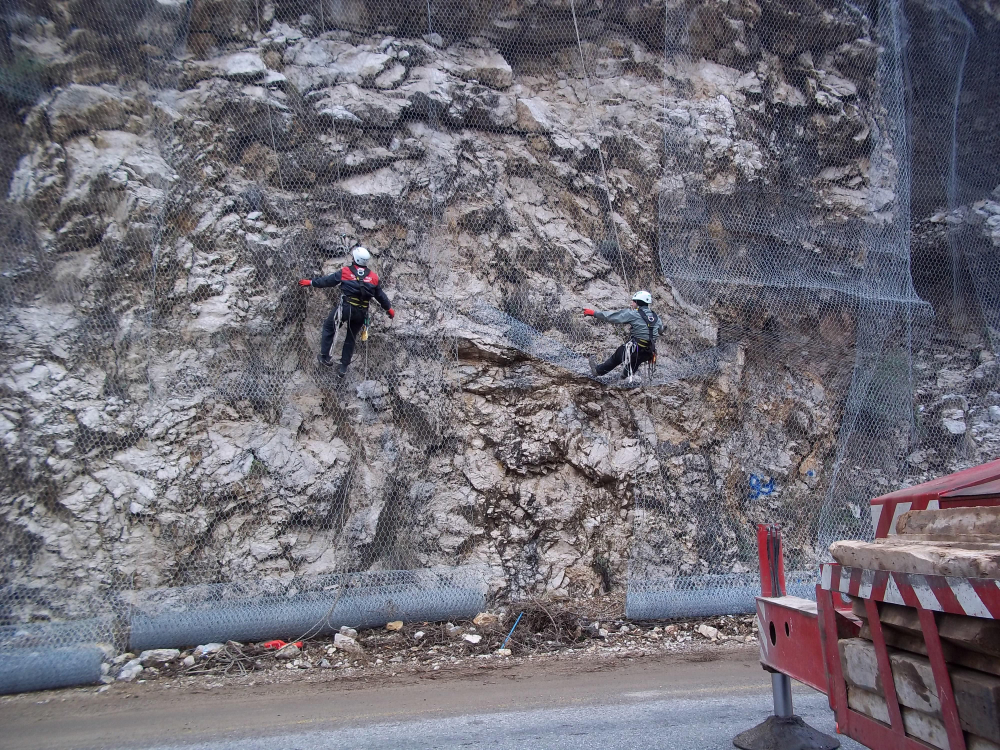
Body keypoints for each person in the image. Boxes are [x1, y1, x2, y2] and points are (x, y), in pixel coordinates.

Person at [298, 247, 394, 377]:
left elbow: (328, 281)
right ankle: (343, 367)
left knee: (329, 326)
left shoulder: (346, 272)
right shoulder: (373, 277)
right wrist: (389, 309)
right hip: (361, 312)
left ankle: (325, 356)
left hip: (346, 308)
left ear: (355, 259)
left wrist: (311, 282)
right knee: (351, 337)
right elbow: (381, 296)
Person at [584, 290, 661, 378]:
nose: (631, 303)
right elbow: (660, 330)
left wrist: (594, 313)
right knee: (637, 360)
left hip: (633, 349)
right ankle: (624, 377)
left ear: (638, 302)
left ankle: (597, 371)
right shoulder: (656, 317)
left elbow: (613, 317)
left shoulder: (634, 314)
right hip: (649, 351)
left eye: (633, 301)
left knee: (616, 358)